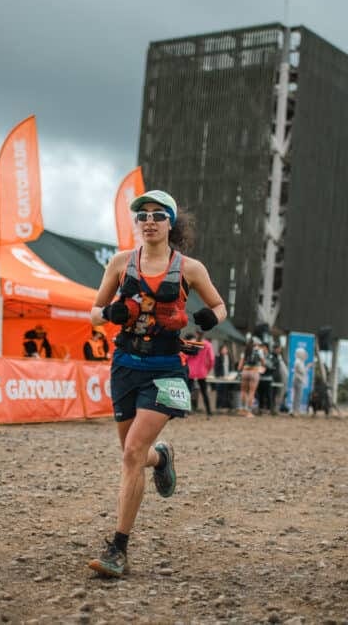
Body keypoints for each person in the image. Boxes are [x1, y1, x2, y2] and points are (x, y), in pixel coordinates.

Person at [87, 189, 226, 578]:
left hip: (166, 368)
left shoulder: (190, 269)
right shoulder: (120, 263)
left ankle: (118, 548)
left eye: (157, 215)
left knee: (132, 452)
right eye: (142, 215)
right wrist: (110, 312)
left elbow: (219, 305)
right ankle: (161, 457)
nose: (149, 221)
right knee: (135, 454)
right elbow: (94, 313)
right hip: (125, 366)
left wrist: (210, 318)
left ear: (170, 223)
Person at [184, 330, 215, 417]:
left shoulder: (191, 344)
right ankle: (209, 412)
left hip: (191, 371)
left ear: (196, 334)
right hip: (202, 372)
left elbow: (185, 356)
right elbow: (212, 359)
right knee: (204, 392)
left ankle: (185, 412)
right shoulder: (208, 344)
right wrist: (207, 370)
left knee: (187, 392)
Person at [237, 337, 265, 418]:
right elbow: (263, 363)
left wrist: (239, 371)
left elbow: (240, 365)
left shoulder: (245, 350)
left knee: (243, 391)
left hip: (245, 371)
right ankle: (248, 411)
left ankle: (242, 409)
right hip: (254, 371)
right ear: (256, 343)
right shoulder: (259, 351)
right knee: (251, 392)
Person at [212, 344, 235, 412]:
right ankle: (219, 407)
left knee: (227, 392)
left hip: (228, 377)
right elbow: (216, 367)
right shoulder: (218, 356)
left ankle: (227, 407)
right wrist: (218, 375)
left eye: (226, 349)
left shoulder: (229, 357)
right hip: (220, 377)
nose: (225, 350)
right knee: (220, 392)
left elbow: (231, 367)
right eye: (223, 349)